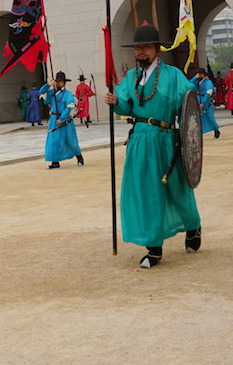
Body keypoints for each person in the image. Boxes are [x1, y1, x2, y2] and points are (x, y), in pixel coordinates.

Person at [103, 24, 201, 268]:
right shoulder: (130, 77)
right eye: (137, 48)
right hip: (139, 141)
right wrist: (115, 102)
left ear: (157, 49)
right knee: (145, 192)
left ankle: (193, 225)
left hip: (166, 139)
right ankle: (153, 247)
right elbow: (126, 105)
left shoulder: (173, 75)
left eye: (145, 47)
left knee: (176, 189)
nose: (140, 52)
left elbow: (189, 105)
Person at [41, 71, 82, 169]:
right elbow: (41, 92)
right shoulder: (52, 93)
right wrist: (48, 85)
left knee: (71, 141)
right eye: (57, 81)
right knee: (53, 140)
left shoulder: (67, 94)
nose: (58, 83)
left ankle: (79, 156)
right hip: (54, 119)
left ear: (64, 82)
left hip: (65, 120)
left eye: (60, 81)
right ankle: (55, 162)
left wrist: (62, 119)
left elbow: (68, 108)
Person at [190, 66, 220, 138]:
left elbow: (208, 93)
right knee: (198, 118)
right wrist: (194, 78)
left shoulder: (208, 82)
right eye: (199, 74)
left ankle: (216, 129)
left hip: (206, 103)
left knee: (210, 118)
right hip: (197, 101)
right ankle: (199, 132)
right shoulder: (196, 82)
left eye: (201, 74)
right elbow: (188, 85)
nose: (200, 75)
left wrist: (203, 103)